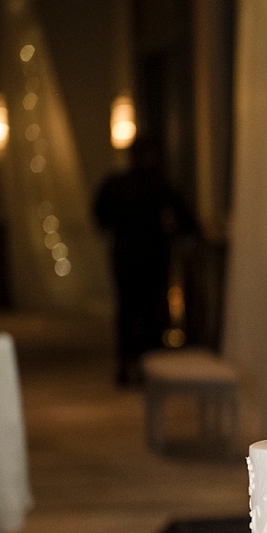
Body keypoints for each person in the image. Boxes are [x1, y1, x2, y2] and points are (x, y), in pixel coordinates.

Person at [93, 137, 196, 385]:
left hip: (133, 256)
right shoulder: (152, 184)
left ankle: (132, 367)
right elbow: (185, 218)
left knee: (134, 313)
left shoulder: (138, 184)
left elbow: (98, 214)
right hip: (146, 257)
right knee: (144, 313)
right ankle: (141, 368)